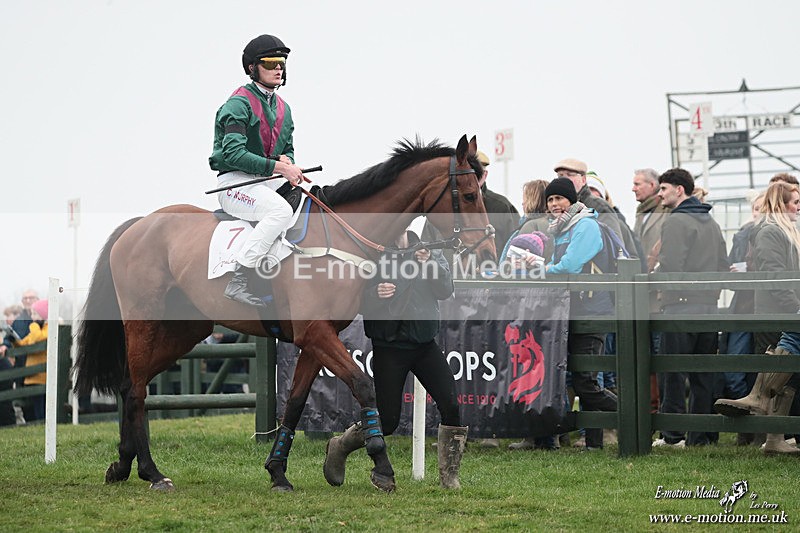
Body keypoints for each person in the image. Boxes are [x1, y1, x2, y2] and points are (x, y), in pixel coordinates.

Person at [323, 230, 467, 489]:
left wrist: (430, 264)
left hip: (425, 345)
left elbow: (445, 290)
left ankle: (450, 477)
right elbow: (355, 299)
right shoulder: (372, 252)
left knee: (451, 405)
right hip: (389, 347)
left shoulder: (430, 249)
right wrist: (374, 294)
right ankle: (341, 445)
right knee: (388, 421)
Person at [210, 34, 305, 307]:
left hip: (266, 182)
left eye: (282, 63)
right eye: (272, 62)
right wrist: (278, 166)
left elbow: (286, 149)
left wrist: (288, 162)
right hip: (234, 184)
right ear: (253, 68)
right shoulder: (238, 104)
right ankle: (239, 278)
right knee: (280, 211)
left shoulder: (284, 108)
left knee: (310, 196)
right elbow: (233, 154)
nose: (279, 68)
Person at [714, 181, 800, 455]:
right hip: (778, 309)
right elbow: (775, 275)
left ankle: (774, 435)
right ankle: (763, 412)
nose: (798, 207)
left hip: (786, 307)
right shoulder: (769, 232)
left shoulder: (785, 231)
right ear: (781, 204)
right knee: (781, 363)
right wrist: (795, 306)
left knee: (789, 377)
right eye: (794, 202)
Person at [653, 168, 728, 448]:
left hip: (680, 307)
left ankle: (673, 436)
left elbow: (672, 266)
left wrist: (663, 290)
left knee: (672, 373)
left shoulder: (676, 222)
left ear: (679, 190)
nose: (660, 194)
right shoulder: (711, 222)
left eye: (664, 189)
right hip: (708, 307)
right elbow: (723, 263)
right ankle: (701, 436)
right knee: (703, 374)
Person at [544, 177, 618, 451]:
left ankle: (636, 418)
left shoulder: (584, 225)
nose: (554, 205)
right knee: (581, 378)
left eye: (559, 199)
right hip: (574, 311)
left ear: (572, 201)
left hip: (592, 312)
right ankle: (594, 444)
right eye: (550, 200)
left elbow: (571, 266)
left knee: (587, 382)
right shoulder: (561, 230)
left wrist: (542, 272)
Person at [723, 191, 765, 445]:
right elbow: (729, 269)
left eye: (763, 208)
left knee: (760, 368)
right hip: (742, 306)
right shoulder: (741, 235)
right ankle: (745, 425)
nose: (758, 213)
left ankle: (758, 429)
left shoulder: (779, 235)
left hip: (764, 307)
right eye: (756, 208)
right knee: (734, 369)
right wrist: (735, 271)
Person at [632, 168, 670, 415]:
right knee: (644, 355)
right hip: (641, 294)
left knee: (659, 354)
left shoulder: (666, 213)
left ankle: (662, 411)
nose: (633, 188)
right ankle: (650, 409)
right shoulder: (640, 214)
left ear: (653, 185)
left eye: (638, 184)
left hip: (657, 294)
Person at [553, 159, 622, 241]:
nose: (564, 180)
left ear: (583, 180)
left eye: (570, 175)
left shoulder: (599, 207)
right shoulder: (555, 207)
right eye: (561, 176)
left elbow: (615, 243)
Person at [477, 150, 521, 252]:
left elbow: (515, 244)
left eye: (477, 173)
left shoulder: (501, 206)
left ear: (485, 175)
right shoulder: (447, 206)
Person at [15, 299, 49, 421]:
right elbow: (25, 343)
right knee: (34, 407)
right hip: (32, 377)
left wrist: (33, 325)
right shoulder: (36, 329)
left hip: (42, 377)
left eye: (35, 314)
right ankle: (37, 425)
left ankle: (42, 425)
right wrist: (14, 340)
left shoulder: (46, 329)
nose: (33, 317)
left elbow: (36, 339)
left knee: (42, 407)